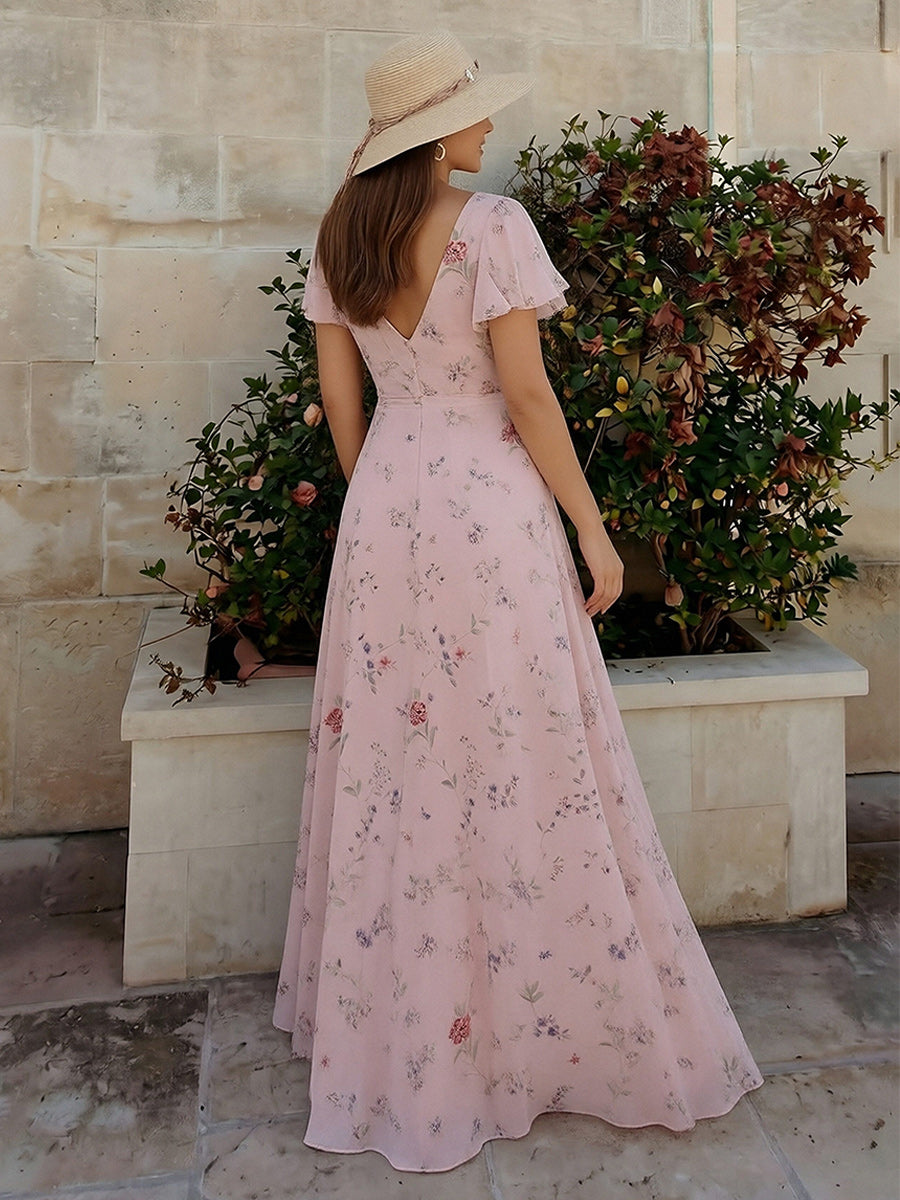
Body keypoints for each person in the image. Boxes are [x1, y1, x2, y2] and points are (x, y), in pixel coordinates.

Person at [272, 30, 764, 1174]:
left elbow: (342, 405)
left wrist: (382, 491)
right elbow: (529, 395)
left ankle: (413, 1023)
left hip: (387, 510)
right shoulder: (491, 225)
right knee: (516, 749)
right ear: (433, 130)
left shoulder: (342, 232)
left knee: (399, 757)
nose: (490, 125)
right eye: (475, 110)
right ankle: (535, 1023)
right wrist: (592, 528)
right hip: (490, 515)